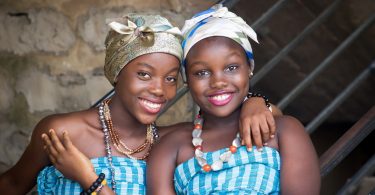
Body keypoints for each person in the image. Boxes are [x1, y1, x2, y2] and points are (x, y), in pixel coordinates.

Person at [0, 13, 278, 194]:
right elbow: (12, 185)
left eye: (170, 78)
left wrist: (256, 102)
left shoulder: (171, 143)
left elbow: (256, 119)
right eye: (144, 74)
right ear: (116, 73)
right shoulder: (63, 133)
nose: (159, 89)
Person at [146, 4, 321, 194]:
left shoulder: (284, 131)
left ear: (249, 68)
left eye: (231, 68)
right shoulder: (171, 147)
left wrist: (257, 101)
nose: (218, 82)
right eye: (201, 72)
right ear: (187, 79)